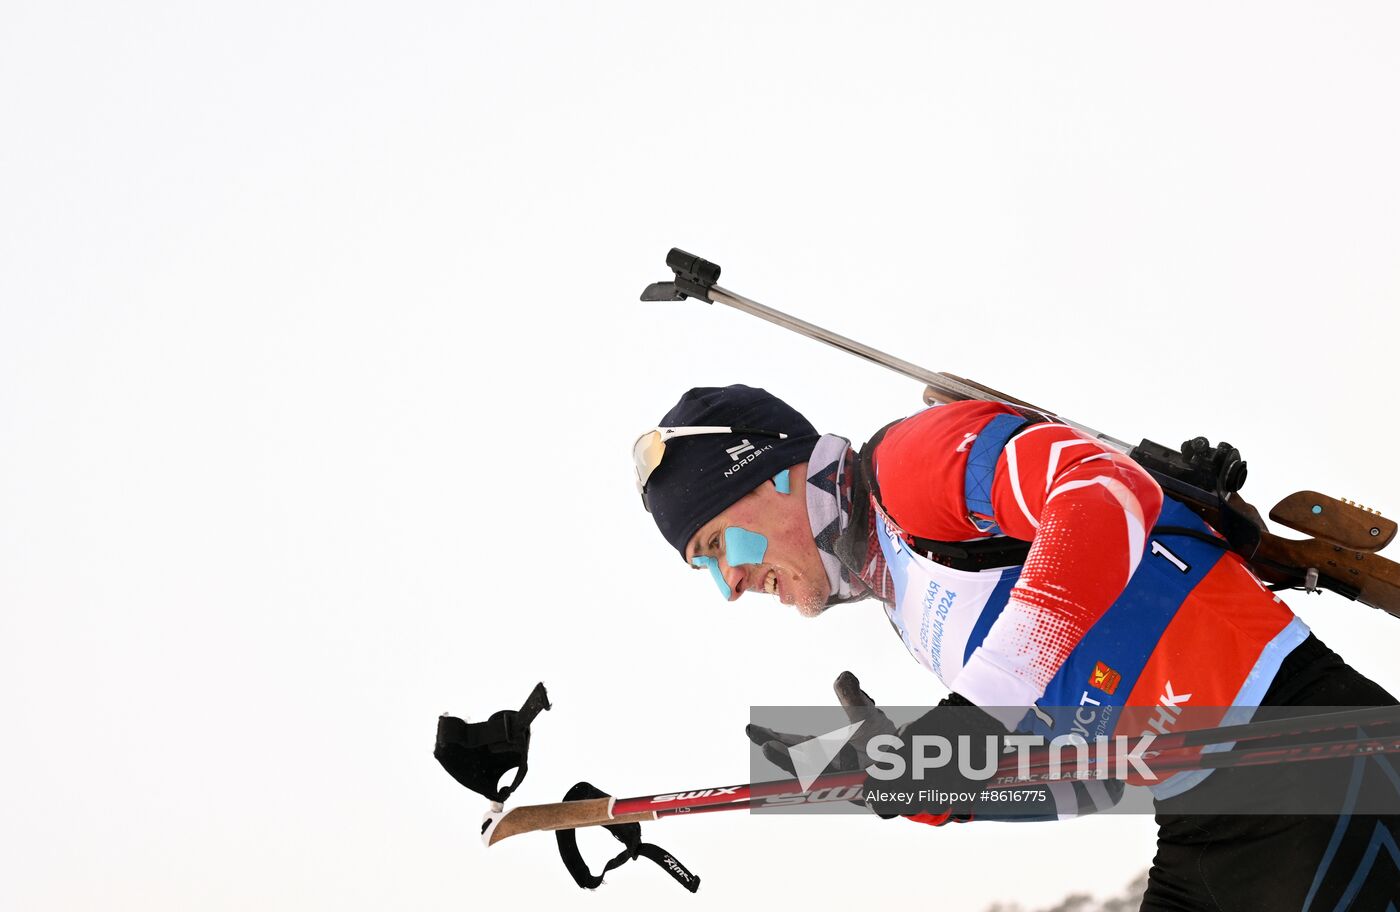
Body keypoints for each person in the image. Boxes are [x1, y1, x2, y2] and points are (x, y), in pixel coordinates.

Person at [633, 384, 1400, 911]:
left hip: (1303, 756)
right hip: (1202, 819)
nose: (729, 583)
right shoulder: (904, 599)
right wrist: (940, 788)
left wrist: (975, 715)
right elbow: (1094, 779)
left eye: (717, 543)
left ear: (770, 475)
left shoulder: (907, 466)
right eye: (705, 569)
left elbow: (1103, 490)